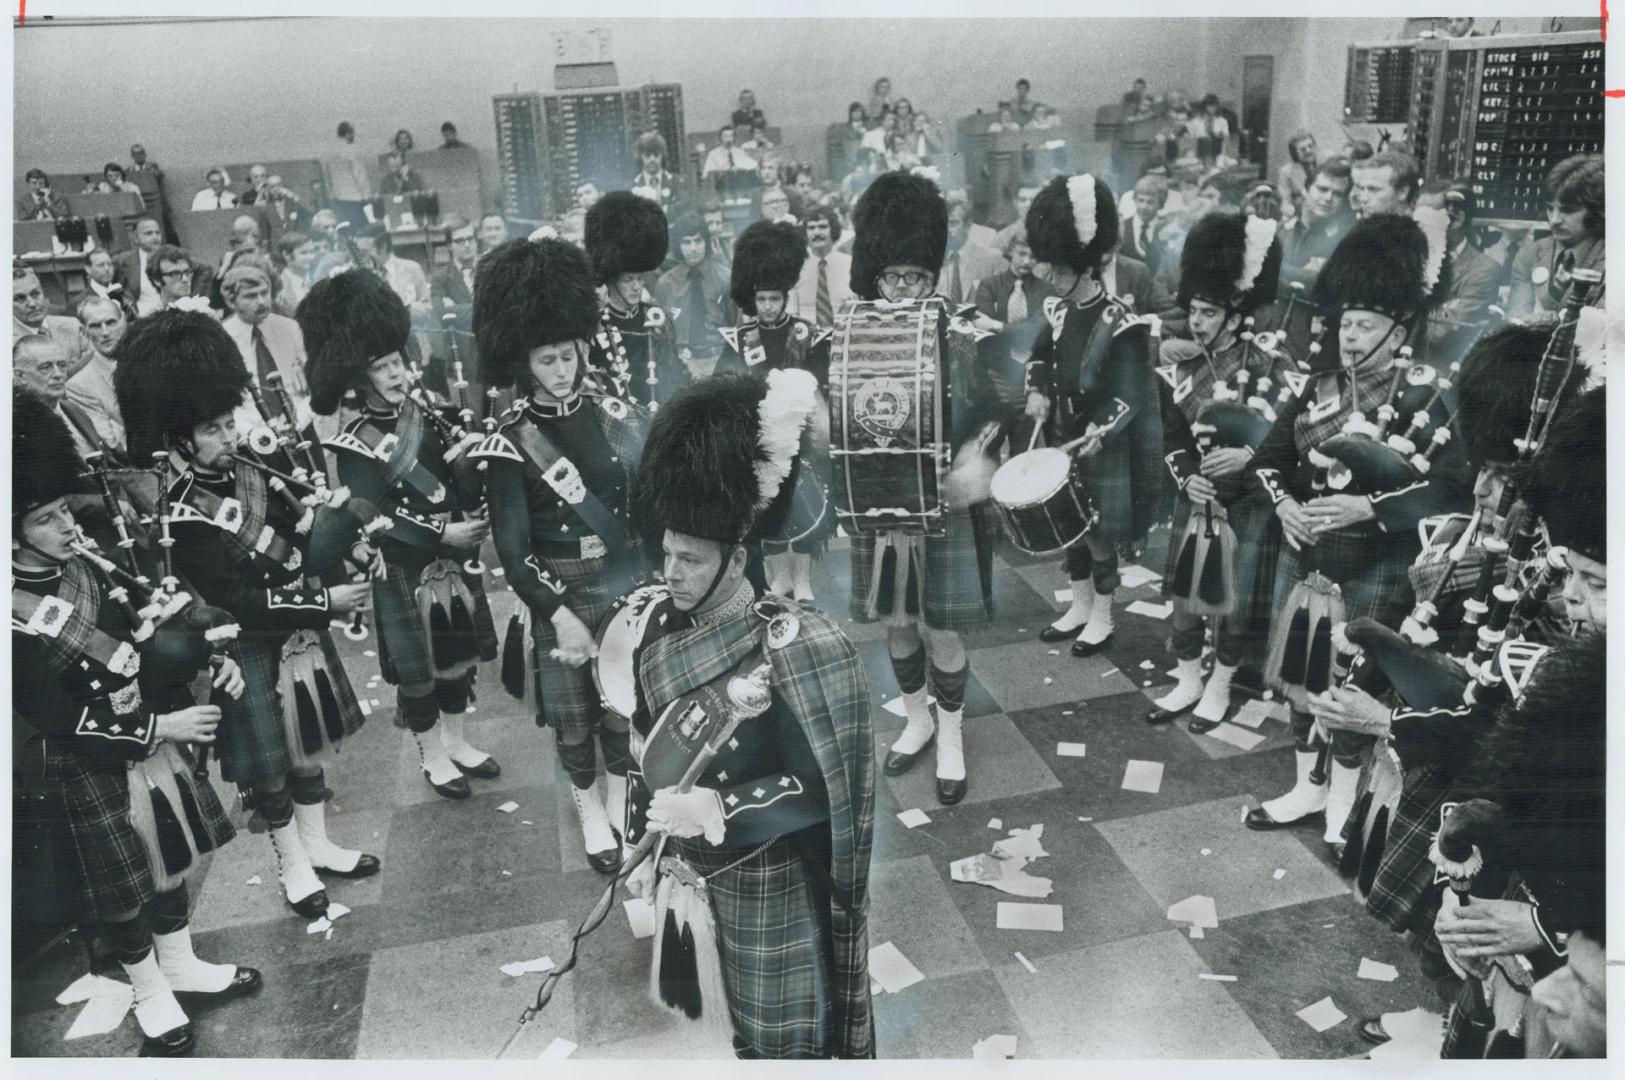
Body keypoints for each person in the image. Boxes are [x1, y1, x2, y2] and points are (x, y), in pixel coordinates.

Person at [622, 369, 874, 1060]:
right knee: (711, 1031)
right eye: (666, 553)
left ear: (736, 558)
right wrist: (635, 851)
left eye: (689, 558)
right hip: (685, 873)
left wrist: (721, 810)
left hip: (764, 875)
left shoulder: (797, 646)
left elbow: (823, 786)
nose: (670, 571)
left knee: (778, 1043)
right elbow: (641, 748)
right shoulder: (655, 629)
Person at [12, 393, 260, 1058]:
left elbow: (156, 638)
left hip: (151, 726)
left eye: (63, 509)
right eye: (44, 518)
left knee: (170, 857)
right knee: (122, 889)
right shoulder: (13, 612)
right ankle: (149, 989)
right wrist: (163, 725)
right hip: (90, 754)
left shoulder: (91, 565)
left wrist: (208, 656)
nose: (65, 525)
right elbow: (55, 717)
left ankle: (179, 965)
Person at [113, 310, 379, 921]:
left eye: (229, 420)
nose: (230, 434)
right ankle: (292, 864)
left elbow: (301, 535)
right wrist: (323, 603)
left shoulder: (254, 472)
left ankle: (318, 844)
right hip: (249, 644)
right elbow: (235, 602)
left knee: (307, 748)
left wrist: (336, 531)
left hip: (297, 636)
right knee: (271, 770)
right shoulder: (177, 516)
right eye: (213, 427)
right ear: (180, 438)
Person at [1244, 212, 1471, 846]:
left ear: (1401, 328)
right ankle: (1306, 788)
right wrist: (1285, 504)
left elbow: (1450, 488)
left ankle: (1343, 799)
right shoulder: (1312, 385)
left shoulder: (1431, 393)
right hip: (1310, 553)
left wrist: (1371, 510)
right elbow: (1267, 461)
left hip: (1379, 558)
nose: (1349, 337)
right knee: (1301, 670)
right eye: (1345, 323)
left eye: (1365, 325)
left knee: (1352, 681)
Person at [470, 237, 649, 870]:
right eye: (547, 360)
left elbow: (645, 505)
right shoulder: (510, 439)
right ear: (526, 362)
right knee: (575, 722)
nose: (562, 370)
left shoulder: (614, 413)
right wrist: (559, 612)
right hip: (558, 589)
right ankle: (588, 806)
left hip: (625, 582)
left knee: (622, 710)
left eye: (568, 356)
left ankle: (625, 796)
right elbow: (513, 552)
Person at [301, 269, 503, 801]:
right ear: (359, 378)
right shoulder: (353, 442)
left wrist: (470, 463)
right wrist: (446, 532)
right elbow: (375, 513)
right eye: (382, 367)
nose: (396, 372)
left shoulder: (430, 413)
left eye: (397, 362)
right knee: (419, 676)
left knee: (457, 658)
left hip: (451, 557)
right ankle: (433, 757)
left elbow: (455, 480)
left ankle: (457, 743)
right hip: (405, 564)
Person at [844, 172, 983, 805]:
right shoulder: (852, 337)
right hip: (880, 503)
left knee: (943, 630)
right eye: (890, 277)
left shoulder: (961, 334)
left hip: (942, 504)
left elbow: (996, 411)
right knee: (896, 624)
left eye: (914, 278)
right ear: (874, 274)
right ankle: (918, 717)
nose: (901, 290)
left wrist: (980, 458)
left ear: (933, 276)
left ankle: (950, 735)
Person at [1144, 211, 1288, 730]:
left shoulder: (1271, 364)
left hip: (1248, 504)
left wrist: (1251, 457)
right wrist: (1188, 477)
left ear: (1234, 315)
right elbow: (1170, 437)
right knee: (1184, 600)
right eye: (1194, 311)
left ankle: (1220, 688)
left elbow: (1287, 438)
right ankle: (1186, 680)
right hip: (1198, 498)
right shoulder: (1178, 370)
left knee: (1232, 605)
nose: (1197, 321)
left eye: (1208, 312)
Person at [1023, 174, 1163, 657]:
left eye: (1061, 271)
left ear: (1086, 267)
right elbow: (1039, 356)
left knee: (1100, 536)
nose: (1053, 279)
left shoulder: (1123, 321)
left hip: (1099, 443)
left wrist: (1099, 432)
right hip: (1061, 432)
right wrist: (1036, 391)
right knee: (1070, 529)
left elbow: (1131, 393)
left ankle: (1102, 618)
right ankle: (1079, 607)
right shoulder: (1059, 312)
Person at [717, 221, 834, 605]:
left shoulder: (807, 333)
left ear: (785, 297)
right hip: (759, 436)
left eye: (774, 299)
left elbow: (820, 377)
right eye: (762, 299)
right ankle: (778, 577)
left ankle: (802, 577)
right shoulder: (741, 338)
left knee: (803, 508)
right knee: (766, 508)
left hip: (799, 433)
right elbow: (724, 380)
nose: (768, 306)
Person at [584, 190, 682, 408]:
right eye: (629, 279)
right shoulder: (593, 326)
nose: (637, 286)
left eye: (641, 278)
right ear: (611, 279)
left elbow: (674, 372)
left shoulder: (659, 319)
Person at [1507, 154, 1604, 319]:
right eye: (1550, 208)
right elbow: (1515, 325)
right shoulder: (1530, 255)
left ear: (1596, 210)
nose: (1554, 220)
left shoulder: (1615, 263)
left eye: (1568, 210)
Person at [654, 212, 732, 379]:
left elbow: (734, 323)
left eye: (698, 240)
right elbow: (662, 332)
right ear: (678, 246)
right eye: (686, 242)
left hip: (718, 359)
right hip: (682, 362)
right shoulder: (665, 283)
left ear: (706, 241)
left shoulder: (725, 277)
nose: (693, 248)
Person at [1279, 158, 1355, 294]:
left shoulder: (1344, 240)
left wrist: (1276, 270)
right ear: (1306, 189)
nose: (1328, 198)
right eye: (1322, 189)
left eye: (1338, 194)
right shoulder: (1280, 229)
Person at [66, 295, 130, 454]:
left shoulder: (150, 361)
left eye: (111, 322)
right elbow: (113, 443)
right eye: (95, 326)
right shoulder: (80, 385)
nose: (105, 332)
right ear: (83, 330)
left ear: (123, 321)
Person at [12, 266, 89, 371]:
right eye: (20, 298)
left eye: (35, 294)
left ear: (43, 293)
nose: (32, 304)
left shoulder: (73, 327)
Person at [789, 206, 853, 329]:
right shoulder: (795, 265)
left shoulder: (849, 264)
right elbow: (791, 313)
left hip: (843, 335)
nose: (817, 233)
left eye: (823, 227)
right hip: (807, 338)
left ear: (833, 230)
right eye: (811, 228)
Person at [938, 191, 1003, 305]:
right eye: (944, 224)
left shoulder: (992, 258)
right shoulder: (936, 261)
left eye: (953, 223)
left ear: (968, 225)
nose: (947, 230)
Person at [357, 223, 431, 320]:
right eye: (360, 253)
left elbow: (427, 308)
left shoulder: (412, 269)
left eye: (365, 252)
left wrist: (405, 310)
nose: (363, 258)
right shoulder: (362, 275)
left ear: (383, 247)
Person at [1120, 173, 1170, 273]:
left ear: (1160, 204)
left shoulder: (1168, 227)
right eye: (1141, 200)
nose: (1144, 206)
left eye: (1150, 202)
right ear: (1134, 199)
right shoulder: (1122, 227)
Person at [1350, 151, 1420, 219]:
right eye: (1361, 188)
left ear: (1402, 192)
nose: (1363, 198)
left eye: (1374, 189)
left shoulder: (1420, 228)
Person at [630, 131, 682, 212]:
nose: (652, 159)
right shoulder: (632, 186)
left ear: (663, 156)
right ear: (640, 158)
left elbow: (682, 208)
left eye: (656, 154)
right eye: (647, 155)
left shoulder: (677, 182)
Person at [274, 231, 319, 315]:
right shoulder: (280, 287)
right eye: (304, 253)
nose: (310, 257)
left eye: (312, 252)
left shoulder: (315, 280)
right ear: (286, 255)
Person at [1277, 130, 1318, 223]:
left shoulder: (1325, 163)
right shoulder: (1287, 171)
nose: (1308, 151)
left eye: (1310, 146)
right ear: (1295, 153)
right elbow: (1285, 202)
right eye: (1303, 149)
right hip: (1300, 216)